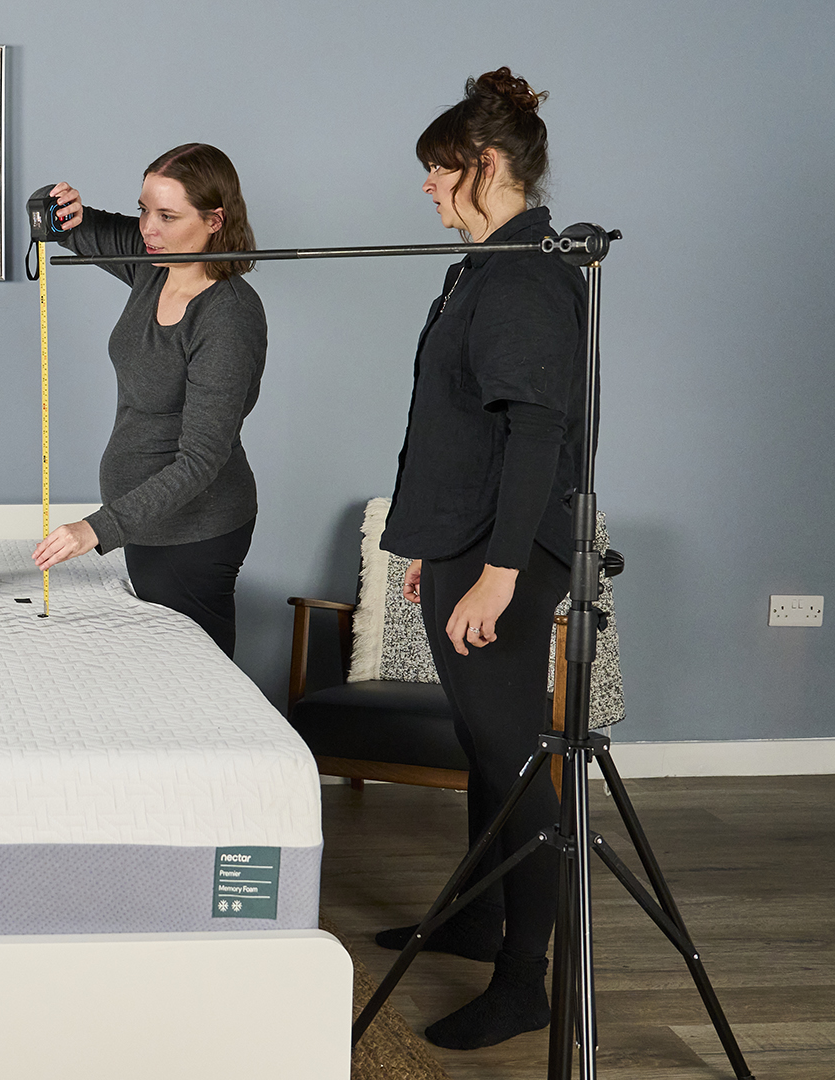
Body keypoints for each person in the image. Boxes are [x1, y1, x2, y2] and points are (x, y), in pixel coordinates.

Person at [374, 68, 589, 1051]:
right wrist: (436, 544)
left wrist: (500, 571)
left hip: (505, 553)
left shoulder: (525, 274)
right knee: (481, 745)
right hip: (465, 541)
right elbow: (461, 428)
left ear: (484, 165)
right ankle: (475, 915)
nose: (426, 187)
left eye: (436, 170)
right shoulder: (488, 264)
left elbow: (538, 432)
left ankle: (524, 982)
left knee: (514, 764)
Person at [31, 144, 267, 658]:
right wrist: (60, 204)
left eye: (167, 215)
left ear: (214, 220)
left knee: (194, 680)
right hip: (147, 526)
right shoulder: (152, 267)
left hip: (195, 534)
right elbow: (70, 227)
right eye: (142, 209)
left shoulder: (227, 317)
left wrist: (97, 528)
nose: (147, 229)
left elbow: (202, 460)